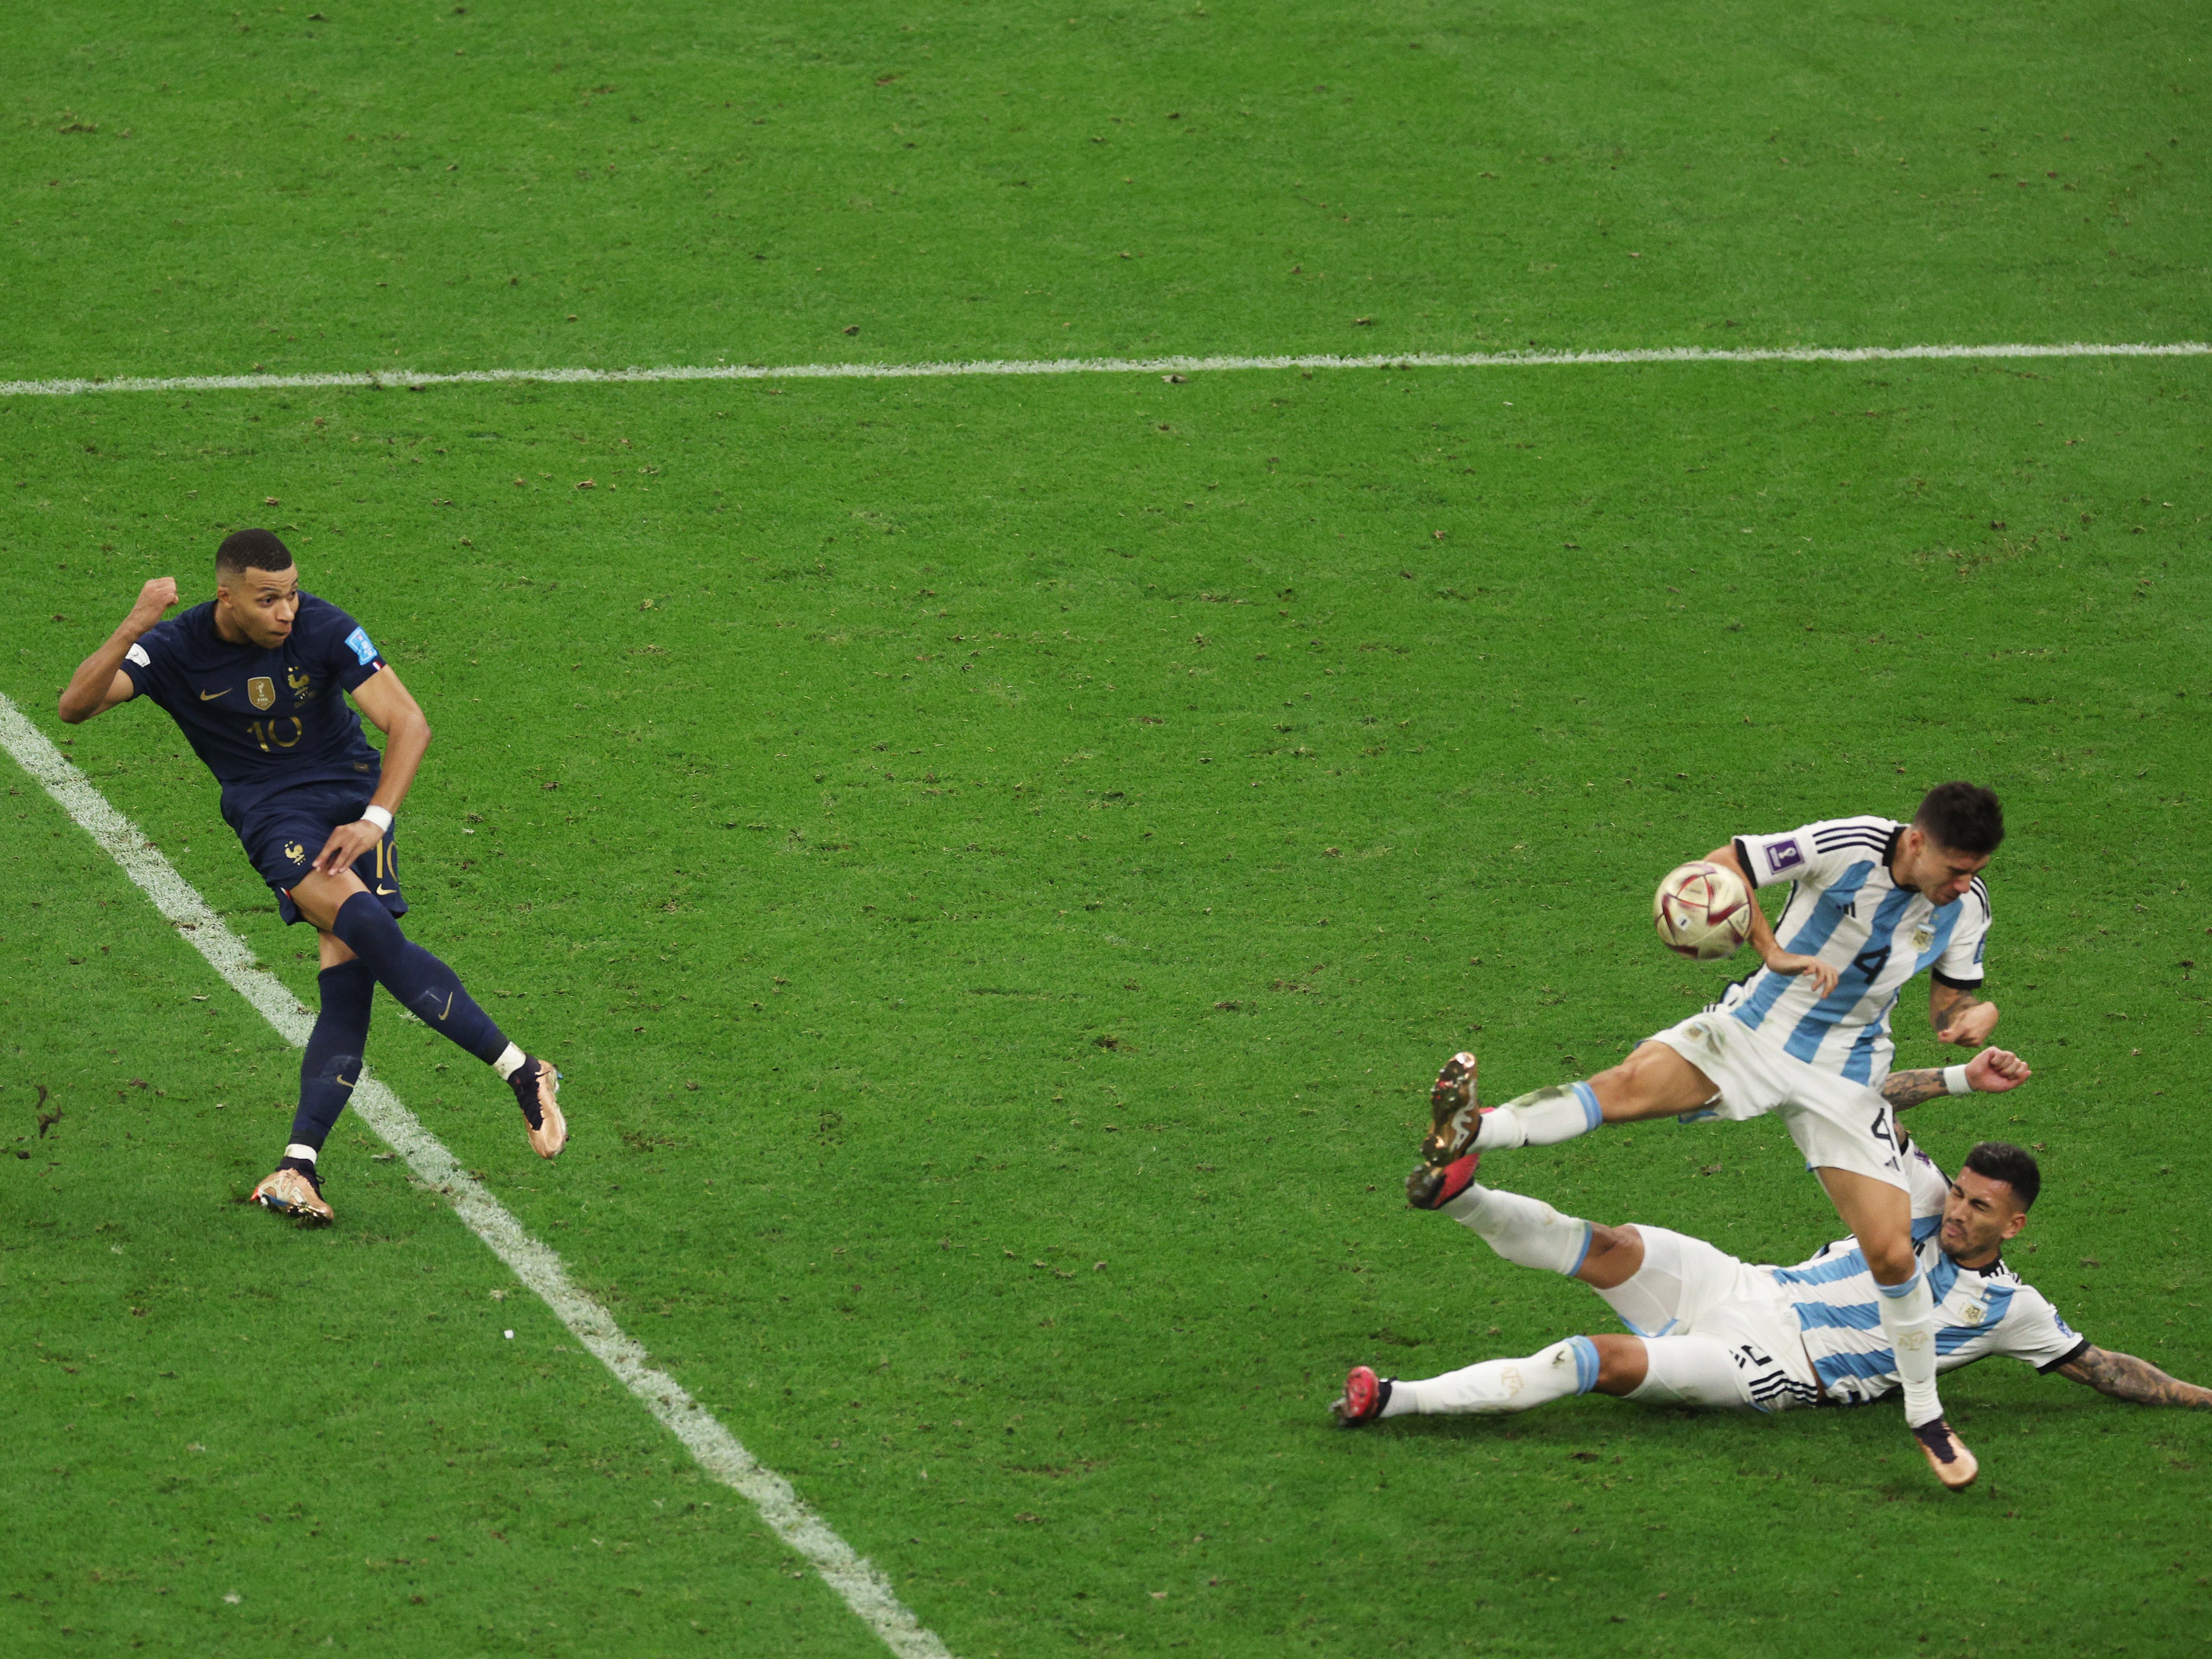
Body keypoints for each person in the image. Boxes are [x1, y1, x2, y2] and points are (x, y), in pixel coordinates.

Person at [1410, 785, 2017, 1486]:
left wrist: (1973, 1020)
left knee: (1890, 1255)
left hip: (1844, 1076)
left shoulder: (1967, 906)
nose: (1963, 883)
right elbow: (1725, 861)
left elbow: (1952, 1001)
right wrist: (1774, 949)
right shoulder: (1849, 843)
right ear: (1917, 842)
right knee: (1628, 1087)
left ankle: (1926, 1416)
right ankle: (1471, 1130)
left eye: (1975, 869)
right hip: (1753, 1031)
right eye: (1955, 867)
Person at [58, 530, 566, 1222]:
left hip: (354, 805)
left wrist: (377, 820)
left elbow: (408, 723)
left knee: (349, 979)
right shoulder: (174, 647)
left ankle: (298, 1166)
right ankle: (520, 1067)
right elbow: (75, 705)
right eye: (268, 600)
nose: (287, 612)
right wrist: (133, 625)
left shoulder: (325, 626)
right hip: (275, 818)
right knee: (361, 924)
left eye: (292, 593)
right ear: (227, 597)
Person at [1338, 1134, 2210, 1457]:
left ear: (2014, 1225)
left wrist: (2197, 1395)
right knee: (1607, 1245)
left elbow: (2103, 1367)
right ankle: (1460, 1195)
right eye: (1962, 1192)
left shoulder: (2012, 1309)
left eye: (1982, 1206)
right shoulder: (1920, 1197)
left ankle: (1395, 1403)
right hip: (1749, 1284)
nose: (1959, 1212)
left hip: (1774, 1364)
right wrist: (1952, 1082)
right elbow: (1863, 1105)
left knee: (1590, 1359)